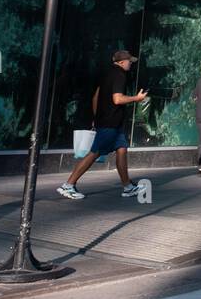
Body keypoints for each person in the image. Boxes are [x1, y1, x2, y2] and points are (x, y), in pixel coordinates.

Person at [58, 50, 147, 199]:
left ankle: (128, 187)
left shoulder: (107, 74)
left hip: (109, 122)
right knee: (95, 153)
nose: (131, 63)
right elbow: (117, 99)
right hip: (110, 123)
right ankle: (68, 185)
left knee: (122, 149)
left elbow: (95, 97)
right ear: (121, 62)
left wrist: (96, 116)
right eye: (129, 61)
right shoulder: (120, 75)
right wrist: (136, 99)